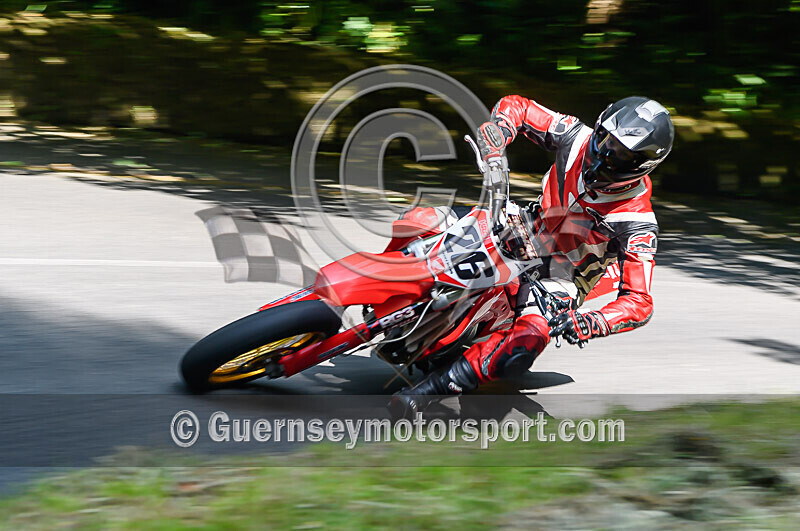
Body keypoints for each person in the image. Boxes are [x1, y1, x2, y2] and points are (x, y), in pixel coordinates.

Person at [390, 95, 675, 416]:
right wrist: (500, 130)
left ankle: (427, 392)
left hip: (560, 276)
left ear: (641, 165)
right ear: (599, 128)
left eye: (621, 154)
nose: (606, 153)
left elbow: (639, 301)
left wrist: (591, 322)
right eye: (607, 139)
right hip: (522, 224)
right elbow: (521, 108)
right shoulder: (576, 136)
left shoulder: (638, 223)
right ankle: (377, 286)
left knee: (526, 344)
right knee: (417, 220)